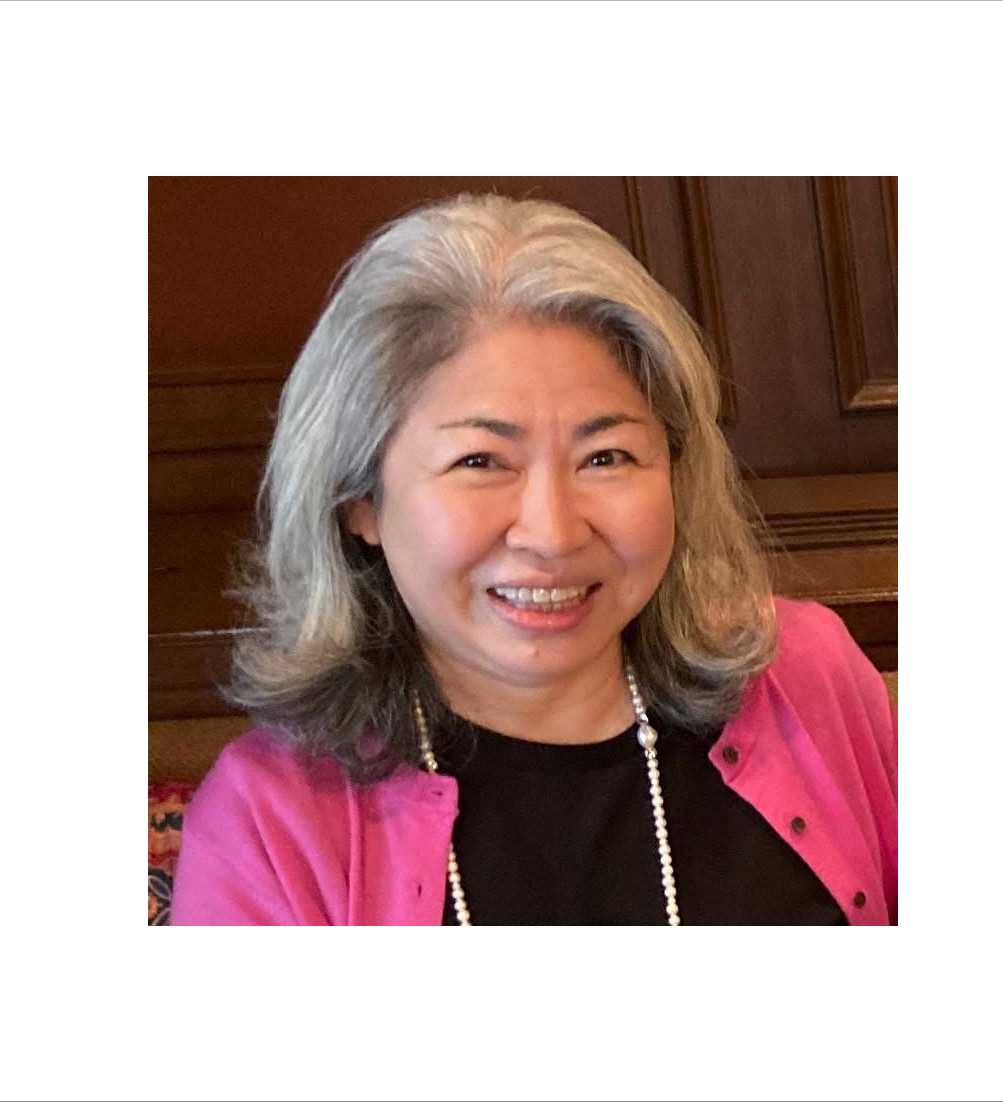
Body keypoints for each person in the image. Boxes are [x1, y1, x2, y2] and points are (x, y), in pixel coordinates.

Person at [171, 194, 897, 926]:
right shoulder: (266, 827)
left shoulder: (804, 677)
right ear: (360, 500)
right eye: (480, 461)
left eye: (606, 456)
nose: (553, 534)